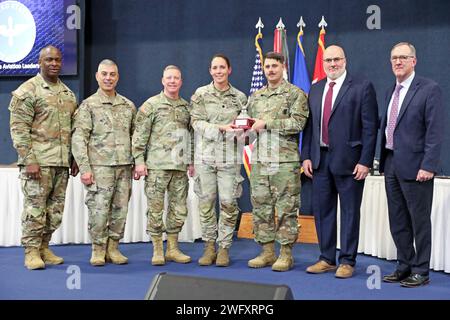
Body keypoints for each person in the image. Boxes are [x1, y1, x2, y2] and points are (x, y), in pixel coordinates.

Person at [301, 45, 378, 278]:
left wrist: (365, 161)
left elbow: (370, 128)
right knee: (323, 212)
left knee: (349, 212)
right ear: (323, 63)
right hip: (319, 161)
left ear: (345, 60)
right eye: (328, 60)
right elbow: (309, 127)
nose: (332, 64)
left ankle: (347, 260)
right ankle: (326, 258)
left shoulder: (362, 87)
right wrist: (305, 156)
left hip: (351, 162)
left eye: (336, 60)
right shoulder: (315, 89)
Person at [9, 45, 78, 270]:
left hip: (60, 163)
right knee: (35, 209)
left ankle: (44, 247)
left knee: (55, 211)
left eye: (57, 59)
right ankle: (31, 251)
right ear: (40, 61)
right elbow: (19, 128)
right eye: (49, 59)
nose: (54, 63)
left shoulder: (68, 94)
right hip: (37, 163)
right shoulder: (28, 91)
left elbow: (74, 130)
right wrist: (29, 159)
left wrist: (74, 157)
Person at [380, 42, 443, 287]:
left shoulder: (429, 89)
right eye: (394, 57)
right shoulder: (390, 91)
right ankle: (404, 265)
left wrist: (429, 165)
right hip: (391, 162)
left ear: (414, 61)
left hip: (417, 167)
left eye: (403, 57)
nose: (398, 62)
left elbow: (435, 132)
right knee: (398, 219)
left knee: (419, 220)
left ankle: (421, 270)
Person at [247, 51, 309, 272]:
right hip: (260, 160)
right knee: (261, 208)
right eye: (267, 66)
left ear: (283, 67)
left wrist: (268, 123)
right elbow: (251, 126)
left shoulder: (295, 94)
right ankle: (266, 252)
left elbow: (298, 123)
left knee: (286, 208)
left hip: (284, 161)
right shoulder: (255, 97)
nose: (270, 70)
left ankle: (285, 253)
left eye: (274, 65)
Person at [72, 59, 136, 266]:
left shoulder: (128, 106)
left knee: (120, 210)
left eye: (112, 74)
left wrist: (137, 162)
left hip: (124, 168)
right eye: (104, 74)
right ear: (97, 76)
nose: (108, 78)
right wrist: (84, 168)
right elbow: (79, 139)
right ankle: (98, 249)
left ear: (117, 77)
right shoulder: (88, 106)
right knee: (99, 211)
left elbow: (136, 137)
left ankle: (114, 248)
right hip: (99, 169)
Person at [132, 65, 194, 266]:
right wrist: (139, 162)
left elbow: (191, 137)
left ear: (181, 82)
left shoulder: (186, 108)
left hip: (179, 167)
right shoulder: (151, 105)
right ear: (162, 80)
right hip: (157, 166)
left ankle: (173, 248)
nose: (173, 81)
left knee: (178, 209)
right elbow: (139, 135)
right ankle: (158, 248)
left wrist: (191, 161)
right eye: (169, 78)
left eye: (176, 78)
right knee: (155, 209)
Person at [190, 53, 247, 267]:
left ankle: (224, 248)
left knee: (229, 203)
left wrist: (244, 132)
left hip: (230, 159)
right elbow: (196, 122)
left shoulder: (240, 97)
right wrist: (221, 128)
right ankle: (209, 246)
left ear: (229, 70)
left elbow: (244, 125)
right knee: (206, 204)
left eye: (222, 67)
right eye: (215, 68)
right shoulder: (201, 94)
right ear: (210, 71)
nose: (219, 71)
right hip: (205, 157)